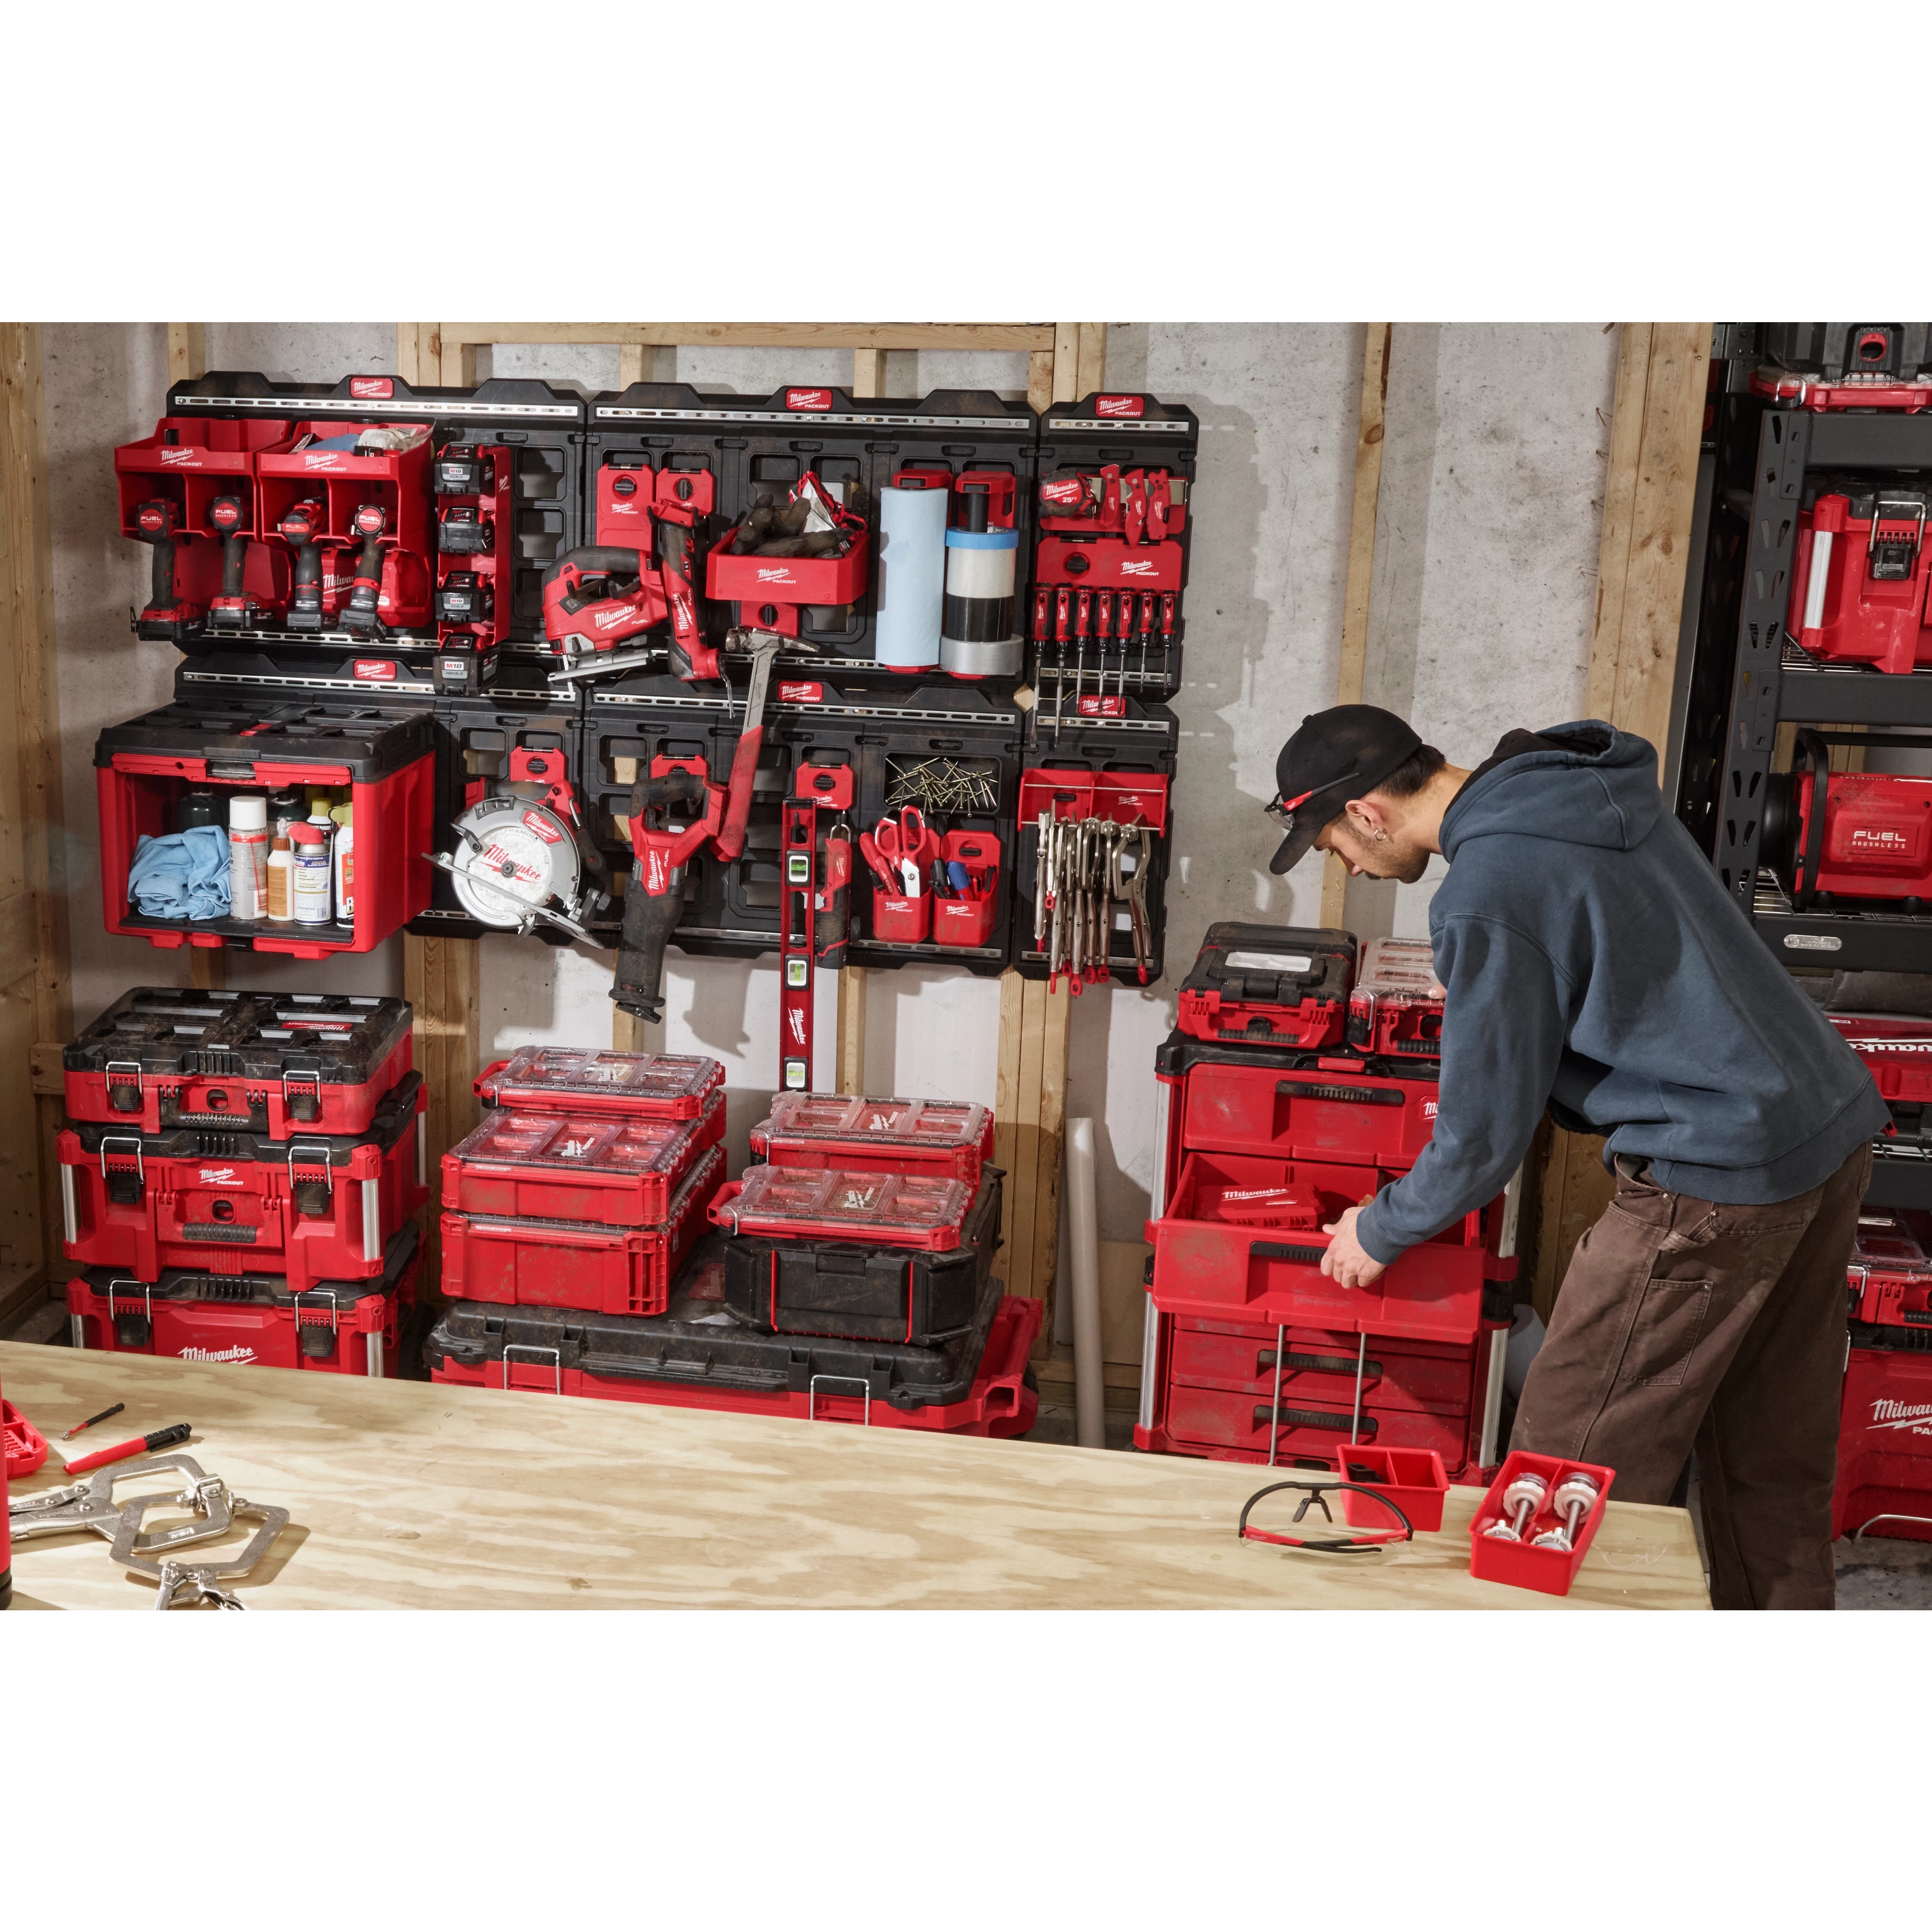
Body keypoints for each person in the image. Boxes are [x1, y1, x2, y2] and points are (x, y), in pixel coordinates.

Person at [1264, 705, 1888, 1612]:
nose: (1347, 867)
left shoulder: (1487, 888)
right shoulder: (1576, 786)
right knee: (1769, 1465)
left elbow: (1482, 1138)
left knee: (1558, 1478)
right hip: (1823, 1132)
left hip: (1711, 1175)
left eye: (1331, 845)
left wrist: (1382, 1228)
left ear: (1367, 811)